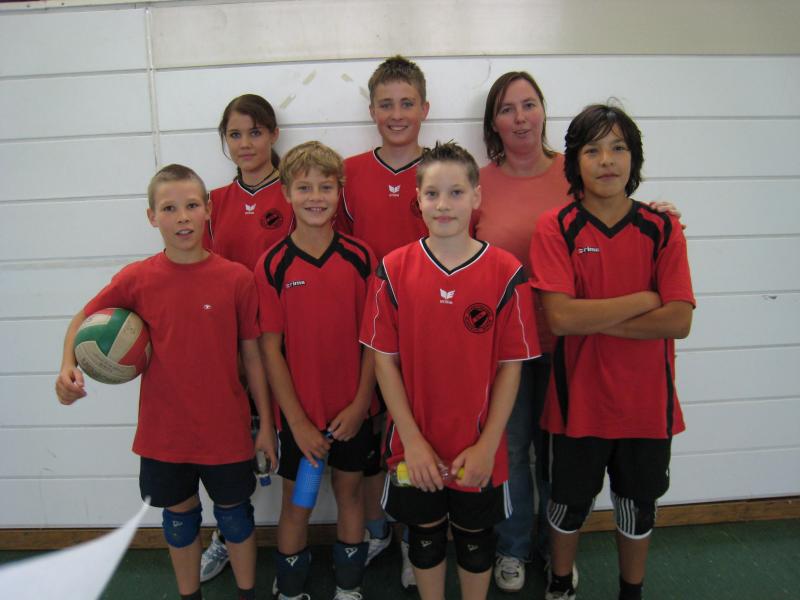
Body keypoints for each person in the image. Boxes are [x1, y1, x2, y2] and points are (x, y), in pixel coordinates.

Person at [475, 72, 681, 593]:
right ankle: (513, 547)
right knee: (513, 451)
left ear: (544, 111)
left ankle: (557, 552)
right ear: (493, 122)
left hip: (573, 352)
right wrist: (647, 299)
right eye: (506, 108)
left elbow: (620, 211)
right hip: (510, 345)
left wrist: (659, 213)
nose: (520, 117)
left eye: (529, 104)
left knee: (560, 464)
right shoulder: (480, 182)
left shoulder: (578, 170)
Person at [55, 164, 277, 600]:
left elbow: (253, 357)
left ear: (208, 209)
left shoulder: (236, 278)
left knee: (236, 518)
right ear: (151, 216)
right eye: (169, 208)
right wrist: (67, 367)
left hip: (226, 430)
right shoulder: (138, 279)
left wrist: (266, 425)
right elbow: (83, 318)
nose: (182, 217)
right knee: (179, 520)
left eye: (191, 205)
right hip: (165, 434)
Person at [360, 142, 540, 600]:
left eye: (456, 192)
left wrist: (488, 445)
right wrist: (413, 441)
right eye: (433, 194)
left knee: (476, 540)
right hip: (413, 444)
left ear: (477, 197)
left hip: (477, 446)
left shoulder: (506, 271)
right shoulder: (392, 269)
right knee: (424, 536)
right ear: (417, 200)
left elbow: (511, 369)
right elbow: (384, 361)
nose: (444, 204)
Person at [530, 104, 694, 600]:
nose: (607, 160)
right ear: (575, 162)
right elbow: (561, 319)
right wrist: (645, 300)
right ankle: (560, 585)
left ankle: (631, 591)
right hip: (577, 401)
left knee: (637, 506)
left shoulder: (662, 228)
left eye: (618, 148)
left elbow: (679, 321)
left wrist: (595, 319)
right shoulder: (556, 226)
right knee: (567, 505)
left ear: (633, 158)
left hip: (647, 405)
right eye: (593, 149)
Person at [255, 141, 377, 600]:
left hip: (352, 414)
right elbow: (270, 350)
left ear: (339, 191)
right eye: (304, 187)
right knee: (298, 503)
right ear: (286, 193)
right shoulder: (272, 265)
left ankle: (349, 588)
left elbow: (374, 342)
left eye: (325, 187)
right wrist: (299, 423)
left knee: (350, 495)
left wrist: (361, 404)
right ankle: (290, 590)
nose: (315, 197)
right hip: (300, 419)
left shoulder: (361, 258)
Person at [337, 55, 431, 589]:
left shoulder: (442, 168)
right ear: (371, 110)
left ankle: (417, 537)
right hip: (367, 328)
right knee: (374, 435)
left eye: (407, 103)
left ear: (425, 108)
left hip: (427, 324)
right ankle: (379, 529)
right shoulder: (348, 172)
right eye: (386, 104)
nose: (397, 114)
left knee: (418, 429)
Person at [200, 93, 293, 583]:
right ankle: (227, 535)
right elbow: (201, 276)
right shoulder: (214, 203)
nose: (245, 143)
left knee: (296, 451)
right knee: (236, 453)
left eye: (255, 132)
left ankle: (294, 550)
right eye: (234, 134)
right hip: (237, 352)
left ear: (274, 134)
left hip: (291, 346)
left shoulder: (297, 191)